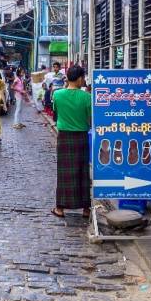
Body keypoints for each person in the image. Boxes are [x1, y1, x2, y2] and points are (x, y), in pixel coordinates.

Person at [51, 66, 92, 218]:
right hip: (81, 137)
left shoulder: (57, 94)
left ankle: (60, 208)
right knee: (82, 173)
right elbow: (90, 118)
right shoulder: (87, 97)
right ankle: (86, 209)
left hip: (64, 138)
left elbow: (56, 115)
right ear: (80, 78)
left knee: (64, 175)